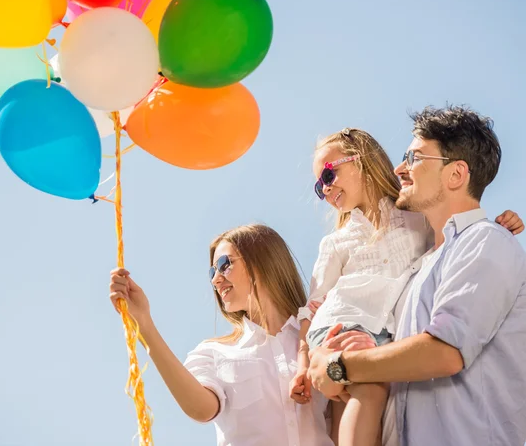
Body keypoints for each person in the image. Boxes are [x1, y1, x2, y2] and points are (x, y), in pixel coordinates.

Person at [307, 106, 526, 446]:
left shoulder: (485, 241)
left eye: (414, 157)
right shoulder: (414, 273)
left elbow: (444, 351)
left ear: (456, 175)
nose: (399, 168)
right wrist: (329, 360)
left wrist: (340, 366)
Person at [109, 224, 368, 446]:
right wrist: (144, 324)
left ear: (263, 259)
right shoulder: (212, 353)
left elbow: (343, 420)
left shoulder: (317, 337)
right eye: (212, 272)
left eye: (224, 265)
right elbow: (201, 409)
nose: (216, 279)